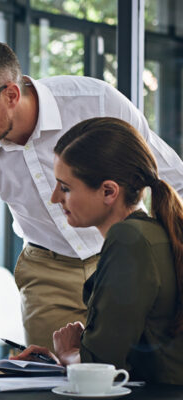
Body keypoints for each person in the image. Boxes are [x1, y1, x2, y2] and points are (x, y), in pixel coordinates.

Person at [0, 39, 183, 357]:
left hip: (125, 257)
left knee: (135, 373)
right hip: (48, 272)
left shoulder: (96, 102)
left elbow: (172, 181)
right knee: (52, 381)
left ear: (11, 95)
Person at [13, 117, 183, 384]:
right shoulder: (154, 232)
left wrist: (69, 353)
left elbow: (103, 367)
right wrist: (79, 349)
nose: (55, 198)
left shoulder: (129, 239)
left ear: (108, 191)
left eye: (65, 188)